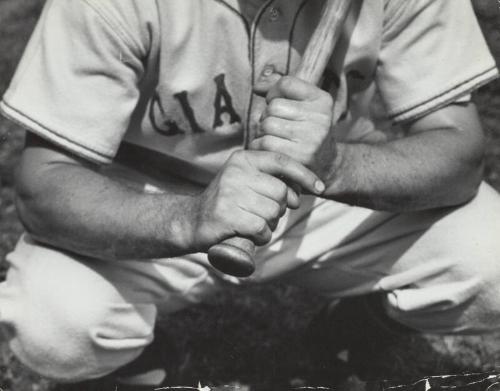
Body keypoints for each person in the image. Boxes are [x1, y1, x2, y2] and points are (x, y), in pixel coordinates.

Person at [1, 0, 499, 388]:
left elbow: (461, 155)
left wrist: (335, 163)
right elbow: (44, 186)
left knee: (492, 259)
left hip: (331, 198)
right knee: (55, 320)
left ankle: (357, 329)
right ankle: (142, 363)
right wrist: (188, 219)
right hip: (154, 202)